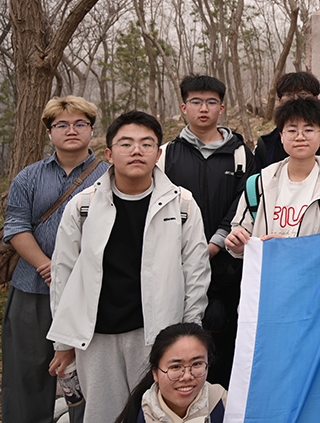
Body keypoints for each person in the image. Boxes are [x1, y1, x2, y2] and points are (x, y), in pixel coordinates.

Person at [48, 111, 210, 423]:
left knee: (158, 414)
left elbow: (196, 274)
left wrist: (190, 335)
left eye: (146, 144)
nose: (137, 151)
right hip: (96, 337)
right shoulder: (83, 206)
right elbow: (62, 275)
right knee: (102, 415)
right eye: (126, 144)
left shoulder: (182, 205)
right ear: (109, 154)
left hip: (157, 333)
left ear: (158, 154)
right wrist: (64, 342)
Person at [1, 96, 107, 423]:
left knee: (88, 372)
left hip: (92, 290)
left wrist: (72, 270)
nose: (71, 130)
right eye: (62, 125)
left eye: (80, 123)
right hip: (33, 287)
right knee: (28, 370)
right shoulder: (29, 177)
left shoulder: (109, 175)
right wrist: (47, 266)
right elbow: (15, 226)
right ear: (49, 132)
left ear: (91, 130)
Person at [160, 75, 257, 387]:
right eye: (196, 102)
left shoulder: (240, 154)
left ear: (222, 108)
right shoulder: (166, 155)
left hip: (227, 265)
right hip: (176, 263)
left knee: (227, 340)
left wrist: (214, 244)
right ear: (183, 107)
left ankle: (223, 401)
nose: (204, 108)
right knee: (179, 337)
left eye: (211, 102)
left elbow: (245, 202)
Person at [225, 97, 320, 253]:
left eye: (308, 130)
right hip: (267, 267)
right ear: (281, 136)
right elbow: (241, 233)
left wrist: (288, 247)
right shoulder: (258, 185)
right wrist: (237, 244)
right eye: (292, 130)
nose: (300, 137)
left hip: (313, 269)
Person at [113, 323, 226, 423]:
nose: (187, 376)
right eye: (175, 367)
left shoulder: (224, 404)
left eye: (196, 364)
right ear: (155, 373)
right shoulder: (139, 416)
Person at [253, 72, 320, 168]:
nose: (296, 99)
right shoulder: (265, 144)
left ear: (316, 99)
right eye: (289, 94)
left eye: (303, 94)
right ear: (280, 101)